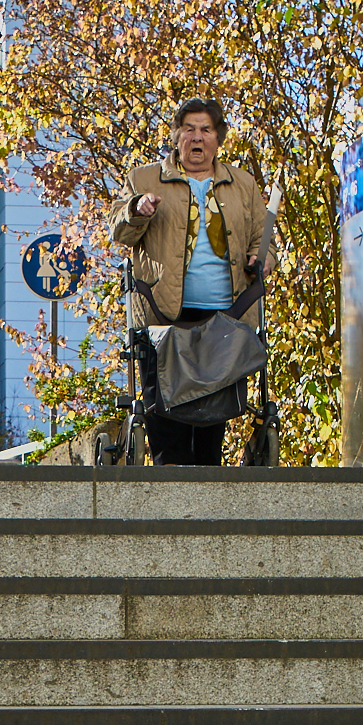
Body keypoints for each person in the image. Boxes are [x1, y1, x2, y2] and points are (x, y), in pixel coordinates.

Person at [108, 97, 269, 465]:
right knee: (167, 430)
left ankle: (210, 510)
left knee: (211, 430)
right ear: (177, 136)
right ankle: (171, 508)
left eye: (206, 129)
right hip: (162, 317)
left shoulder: (242, 184)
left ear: (218, 138)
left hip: (225, 318)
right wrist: (137, 210)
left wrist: (263, 258)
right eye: (189, 129)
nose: (197, 137)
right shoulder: (144, 178)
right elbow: (119, 231)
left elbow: (265, 238)